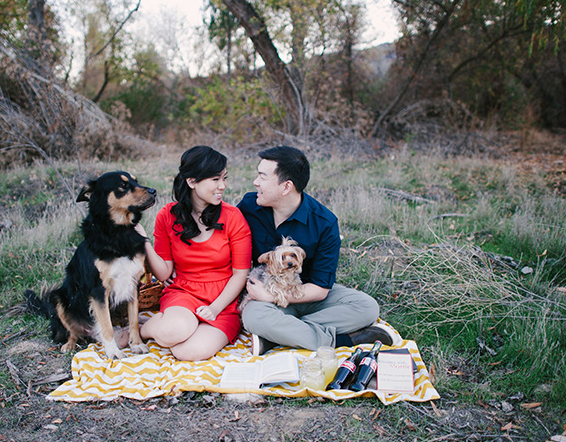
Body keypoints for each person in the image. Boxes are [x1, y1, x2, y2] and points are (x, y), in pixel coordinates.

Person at [237, 145, 402, 355]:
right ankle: (343, 340)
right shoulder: (249, 206)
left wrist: (274, 298)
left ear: (286, 186)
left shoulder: (324, 223)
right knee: (253, 317)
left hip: (306, 294)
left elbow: (321, 289)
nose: (256, 182)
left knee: (367, 307)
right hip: (267, 289)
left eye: (262, 177)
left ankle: (278, 336)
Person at [135, 146, 252, 361]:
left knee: (187, 352)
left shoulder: (233, 217)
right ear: (191, 181)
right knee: (174, 331)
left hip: (224, 300)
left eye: (224, 178)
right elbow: (163, 273)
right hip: (184, 293)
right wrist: (144, 241)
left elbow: (240, 274)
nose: (222, 186)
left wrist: (215, 309)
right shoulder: (167, 216)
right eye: (215, 179)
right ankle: (138, 331)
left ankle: (161, 324)